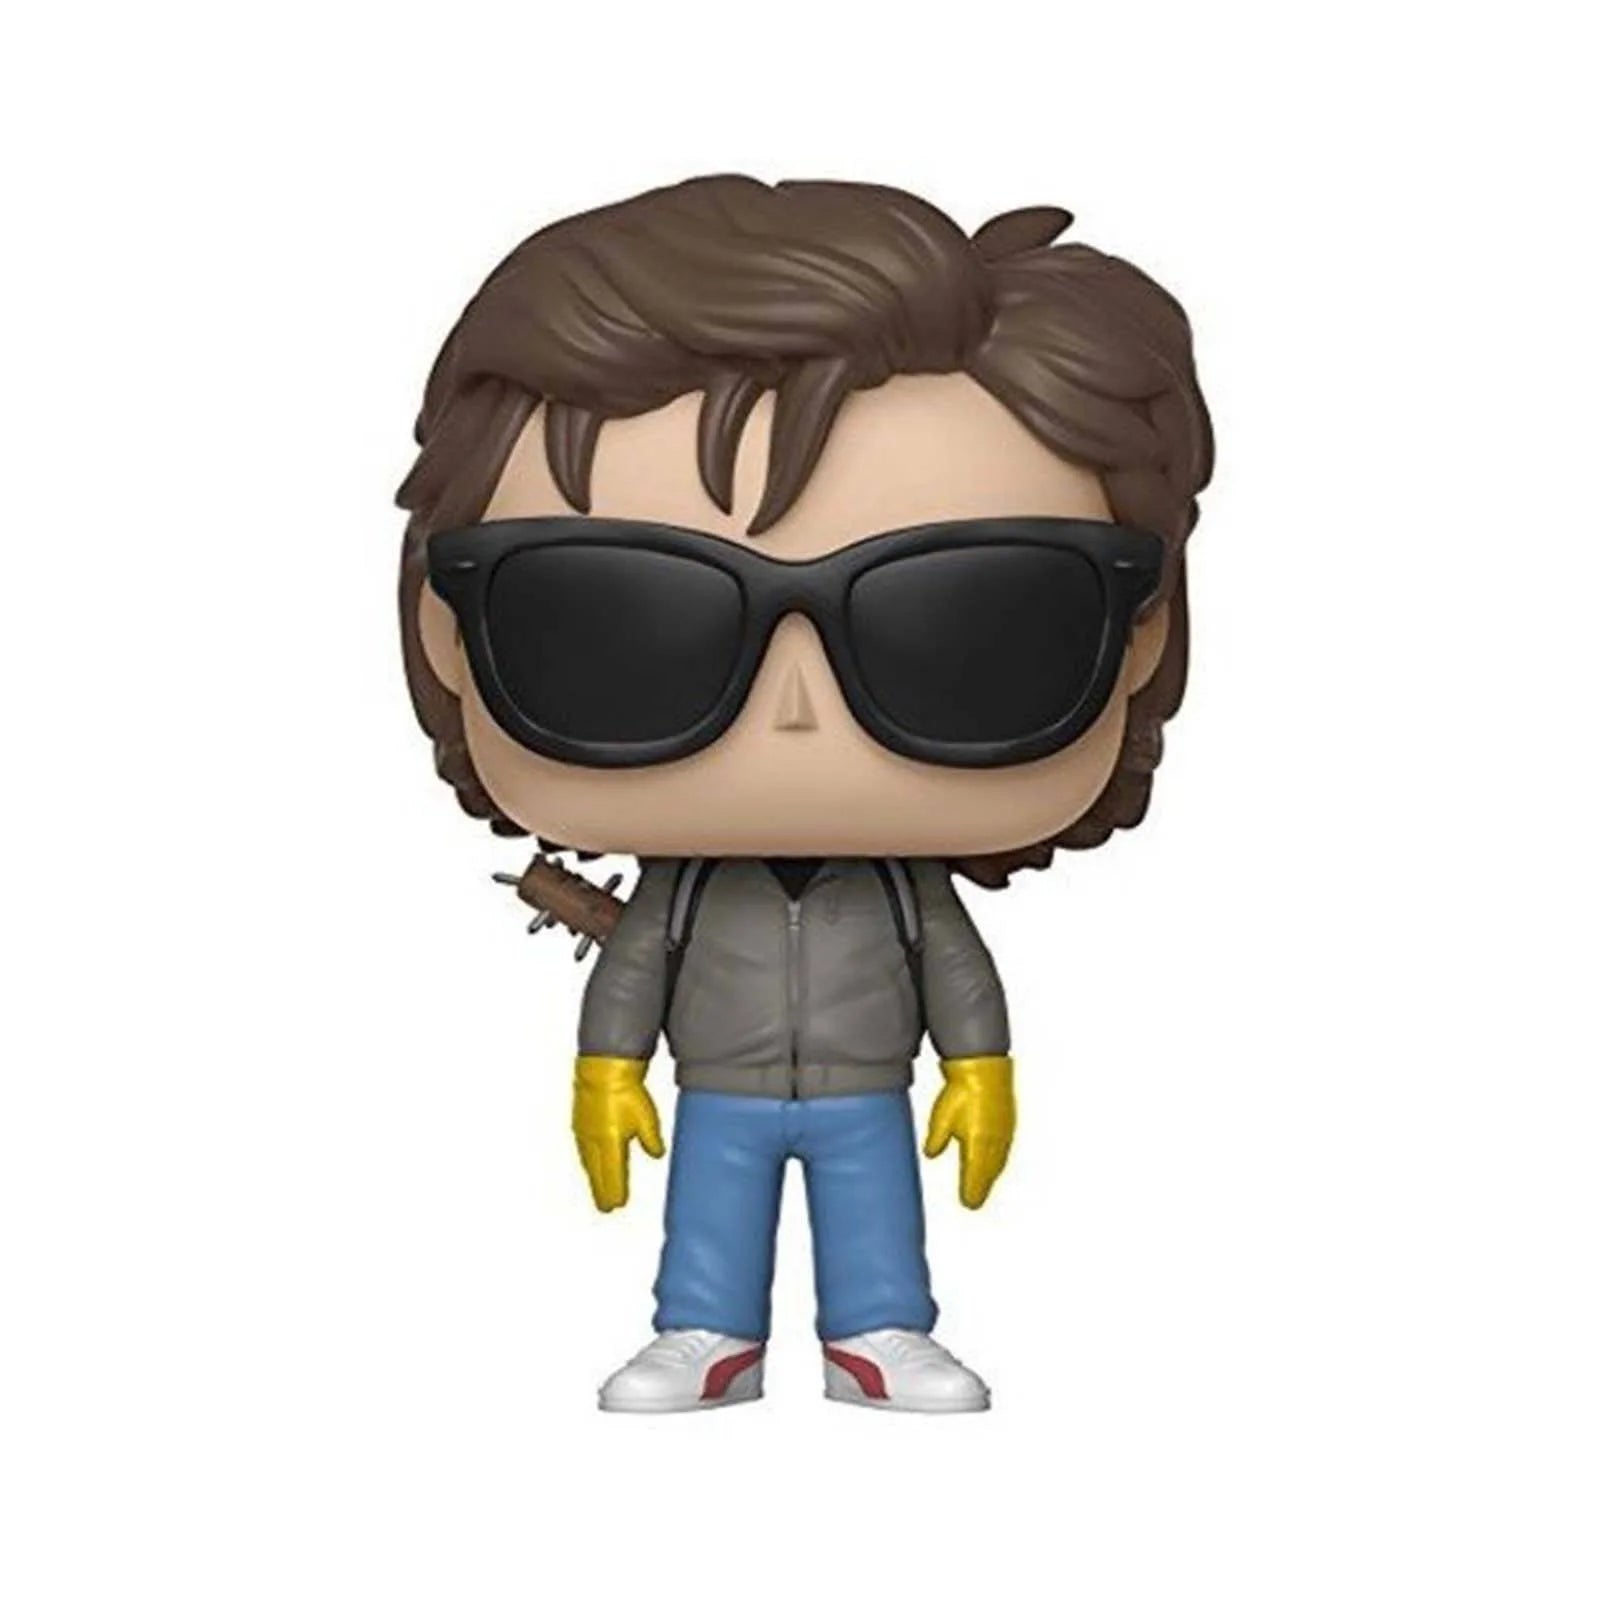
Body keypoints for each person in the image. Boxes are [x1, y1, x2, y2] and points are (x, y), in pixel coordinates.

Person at [398, 175, 1212, 1411]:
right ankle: (705, 1332)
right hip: (721, 1087)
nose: (792, 710)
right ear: (451, 638)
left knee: (875, 1206)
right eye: (618, 620)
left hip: (864, 1088)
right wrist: (607, 1067)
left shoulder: (894, 890)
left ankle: (878, 1330)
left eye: (969, 622)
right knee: (709, 1209)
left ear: (1136, 636)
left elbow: (954, 965)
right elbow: (634, 967)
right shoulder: (686, 893)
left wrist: (980, 1063)